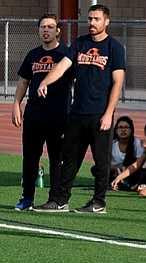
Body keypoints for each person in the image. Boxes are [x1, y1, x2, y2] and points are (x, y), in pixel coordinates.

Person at [34, 4, 126, 214]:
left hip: (100, 113)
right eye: (90, 18)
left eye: (96, 19)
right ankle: (60, 201)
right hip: (77, 113)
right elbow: (62, 66)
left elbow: (118, 83)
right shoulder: (79, 43)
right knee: (70, 159)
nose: (92, 23)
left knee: (101, 161)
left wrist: (109, 113)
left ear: (106, 22)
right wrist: (45, 82)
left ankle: (98, 202)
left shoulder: (114, 47)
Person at [12, 14, 73, 211]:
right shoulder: (32, 55)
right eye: (42, 27)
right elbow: (23, 82)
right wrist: (16, 104)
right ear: (38, 31)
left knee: (57, 158)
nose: (46, 30)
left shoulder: (66, 54)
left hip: (59, 115)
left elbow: (78, 82)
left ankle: (55, 199)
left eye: (50, 27)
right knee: (30, 157)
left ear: (58, 31)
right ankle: (27, 197)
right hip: (34, 115)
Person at [110, 116, 144, 188]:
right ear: (116, 130)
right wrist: (116, 169)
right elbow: (105, 163)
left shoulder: (137, 143)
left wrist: (124, 171)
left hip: (131, 172)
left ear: (131, 130)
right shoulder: (112, 144)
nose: (123, 130)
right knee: (96, 169)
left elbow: (139, 164)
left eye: (126, 127)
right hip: (115, 171)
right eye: (120, 127)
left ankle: (129, 184)